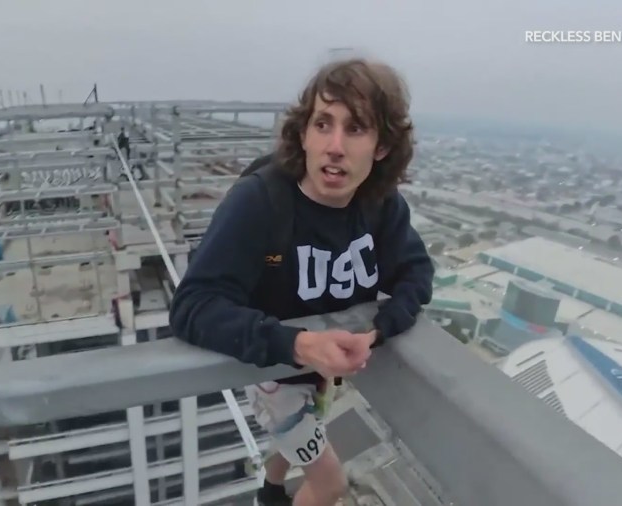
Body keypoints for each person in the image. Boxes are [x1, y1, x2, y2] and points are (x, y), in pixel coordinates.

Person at [169, 58, 434, 506]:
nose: (334, 145)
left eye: (355, 129)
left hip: (319, 372)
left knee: (304, 430)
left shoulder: (380, 206)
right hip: (270, 370)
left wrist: (379, 328)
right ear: (304, 134)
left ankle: (270, 488)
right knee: (331, 485)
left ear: (382, 146)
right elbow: (193, 306)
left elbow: (416, 272)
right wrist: (295, 344)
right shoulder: (260, 203)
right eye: (322, 123)